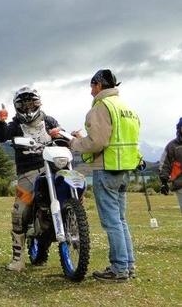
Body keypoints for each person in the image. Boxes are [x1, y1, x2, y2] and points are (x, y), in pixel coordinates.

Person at [69, 69, 142, 282]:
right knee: (120, 219)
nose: (91, 91)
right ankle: (128, 265)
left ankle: (118, 268)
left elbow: (97, 142)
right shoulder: (126, 107)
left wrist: (74, 143)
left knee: (111, 222)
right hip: (125, 168)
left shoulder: (102, 107)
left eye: (92, 86)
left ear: (99, 85)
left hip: (107, 168)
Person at [0, 86, 61, 271]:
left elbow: (61, 136)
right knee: (19, 211)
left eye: (31, 103)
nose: (28, 108)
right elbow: (0, 137)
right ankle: (18, 258)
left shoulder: (48, 120)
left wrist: (60, 134)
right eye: (23, 104)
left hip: (51, 168)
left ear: (38, 102)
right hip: (27, 173)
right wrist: (0, 121)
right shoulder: (14, 124)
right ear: (17, 106)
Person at [158, 118, 182, 212]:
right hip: (180, 186)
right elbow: (164, 164)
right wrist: (164, 183)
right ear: (179, 128)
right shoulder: (172, 146)